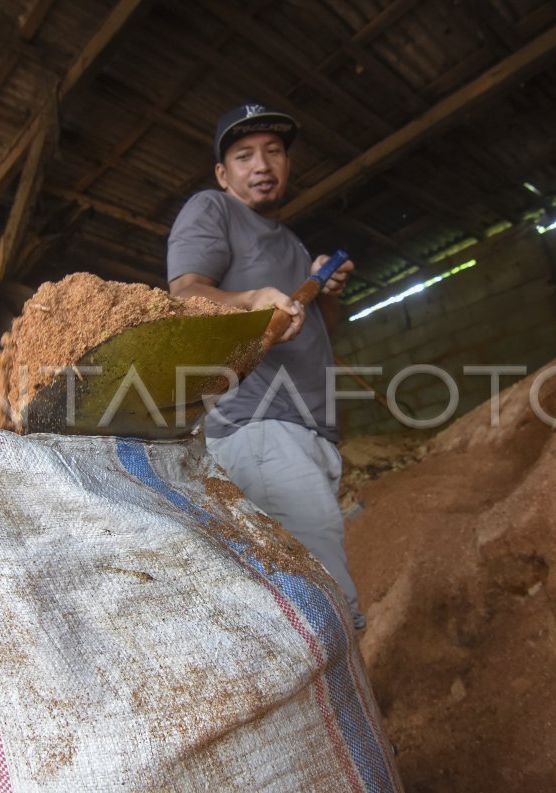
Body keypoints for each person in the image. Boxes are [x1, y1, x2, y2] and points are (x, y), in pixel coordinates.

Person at [167, 103, 365, 630]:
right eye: (244, 154)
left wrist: (325, 289)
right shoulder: (213, 210)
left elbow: (320, 334)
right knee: (325, 605)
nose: (262, 164)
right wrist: (254, 297)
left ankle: (331, 708)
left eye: (274, 151)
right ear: (222, 173)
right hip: (261, 429)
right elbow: (185, 295)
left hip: (305, 430)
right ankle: (342, 711)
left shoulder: (290, 242)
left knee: (304, 604)